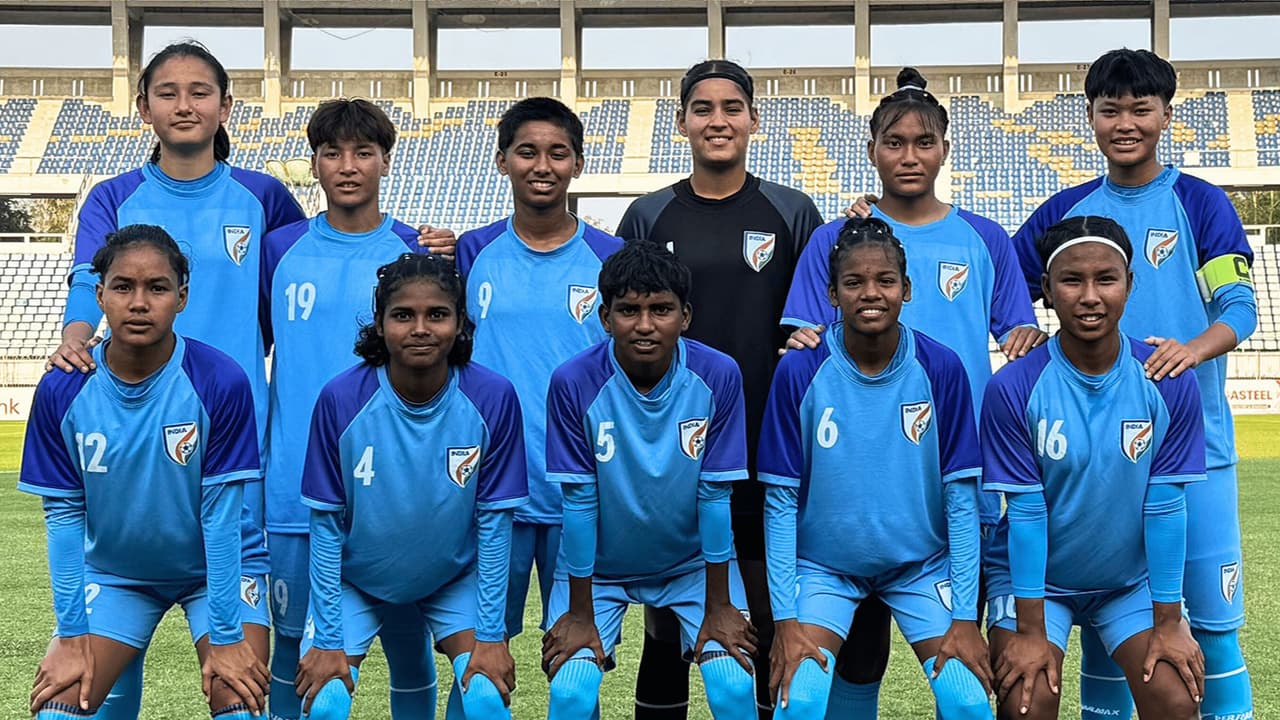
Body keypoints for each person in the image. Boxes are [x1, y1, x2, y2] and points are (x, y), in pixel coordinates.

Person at [40, 43, 300, 718]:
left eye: (200, 91)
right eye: (167, 92)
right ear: (143, 108)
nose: (184, 105)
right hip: (134, 468)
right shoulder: (113, 197)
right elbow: (86, 281)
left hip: (233, 457)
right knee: (79, 696)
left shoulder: (265, 197)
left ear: (226, 107)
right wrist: (75, 337)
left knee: (241, 693)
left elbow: (305, 288)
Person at [780, 68, 1043, 717]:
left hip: (956, 483)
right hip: (853, 489)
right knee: (858, 653)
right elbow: (802, 345)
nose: (908, 155)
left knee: (960, 654)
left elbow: (1020, 334)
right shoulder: (835, 240)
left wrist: (1027, 342)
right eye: (893, 142)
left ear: (944, 150)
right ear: (871, 151)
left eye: (923, 142)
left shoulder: (983, 238)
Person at [1009, 50, 1256, 720]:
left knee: (1209, 633)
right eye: (1110, 109)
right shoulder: (1067, 208)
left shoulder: (1201, 203)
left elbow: (1239, 308)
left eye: (1140, 108)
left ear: (1165, 115)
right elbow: (1000, 278)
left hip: (1194, 452)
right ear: (1089, 116)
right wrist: (1018, 328)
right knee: (1111, 637)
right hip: (1095, 464)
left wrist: (1190, 349)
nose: (1126, 122)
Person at [616, 59, 824, 720]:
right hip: (668, 445)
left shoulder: (791, 210)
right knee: (667, 618)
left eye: (732, 107)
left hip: (767, 440)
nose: (718, 120)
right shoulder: (649, 213)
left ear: (753, 120)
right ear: (680, 123)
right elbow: (623, 324)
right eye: (702, 108)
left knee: (760, 608)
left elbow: (816, 322)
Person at [23, 225, 270, 720]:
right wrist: (71, 637)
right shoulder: (63, 389)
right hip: (117, 574)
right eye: (123, 287)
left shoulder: (219, 379)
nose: (139, 302)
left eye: (157, 288)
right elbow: (65, 520)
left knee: (238, 703)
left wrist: (225, 636)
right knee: (57, 710)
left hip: (217, 573)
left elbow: (222, 520)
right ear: (99, 295)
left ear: (181, 297)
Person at [760, 217, 992, 719]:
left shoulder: (941, 367)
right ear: (831, 293)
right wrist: (785, 619)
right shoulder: (800, 370)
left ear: (906, 289)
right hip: (824, 568)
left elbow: (961, 499)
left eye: (885, 280)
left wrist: (965, 616)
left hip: (920, 566)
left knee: (969, 701)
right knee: (798, 701)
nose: (871, 293)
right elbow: (779, 504)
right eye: (854, 282)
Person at [260, 99, 442, 720]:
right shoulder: (277, 249)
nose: (347, 166)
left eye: (363, 152)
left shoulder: (416, 254)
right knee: (293, 647)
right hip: (293, 488)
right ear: (313, 163)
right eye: (332, 152)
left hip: (397, 490)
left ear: (386, 161)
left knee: (409, 646)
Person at [983, 215, 1206, 720]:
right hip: (1037, 585)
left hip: (1127, 582)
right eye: (1071, 280)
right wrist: (1032, 632)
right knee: (1028, 703)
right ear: (1045, 288)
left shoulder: (1166, 379)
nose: (1089, 296)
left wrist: (1169, 622)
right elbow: (1025, 513)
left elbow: (1166, 504)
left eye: (1106, 279)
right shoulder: (1014, 387)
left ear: (1130, 283)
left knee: (1175, 699)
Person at [294, 253, 526, 720]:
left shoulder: (493, 397)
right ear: (379, 324)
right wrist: (328, 642)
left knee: (485, 699)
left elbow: (496, 526)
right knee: (325, 703)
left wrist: (490, 634)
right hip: (354, 582)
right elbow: (324, 527)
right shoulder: (341, 399)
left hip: (453, 578)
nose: (420, 328)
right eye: (403, 315)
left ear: (460, 323)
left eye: (437, 314)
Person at [540, 241, 758, 720]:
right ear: (604, 317)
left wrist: (719, 605)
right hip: (597, 573)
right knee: (572, 695)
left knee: (734, 686)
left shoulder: (718, 374)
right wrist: (579, 615)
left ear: (686, 316)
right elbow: (578, 503)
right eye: (628, 310)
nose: (643, 325)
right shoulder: (573, 381)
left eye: (660, 309)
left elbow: (715, 494)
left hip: (692, 567)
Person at [455, 96, 622, 646]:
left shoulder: (610, 256)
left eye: (558, 153)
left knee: (577, 661)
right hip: (490, 486)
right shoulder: (469, 252)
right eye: (527, 152)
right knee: (478, 657)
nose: (542, 166)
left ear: (578, 162)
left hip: (580, 487)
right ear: (502, 161)